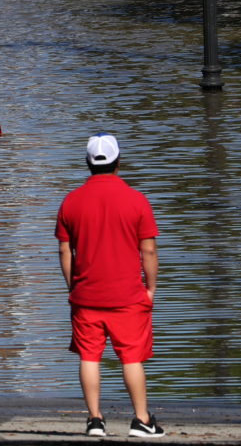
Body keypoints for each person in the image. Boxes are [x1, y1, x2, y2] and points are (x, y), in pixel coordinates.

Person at [54, 133, 164, 438]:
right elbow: (149, 250)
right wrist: (151, 288)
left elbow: (65, 251)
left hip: (86, 295)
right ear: (118, 162)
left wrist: (72, 286)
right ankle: (142, 420)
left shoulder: (71, 201)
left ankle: (95, 420)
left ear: (87, 163)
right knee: (131, 357)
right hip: (128, 295)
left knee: (90, 356)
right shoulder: (136, 200)